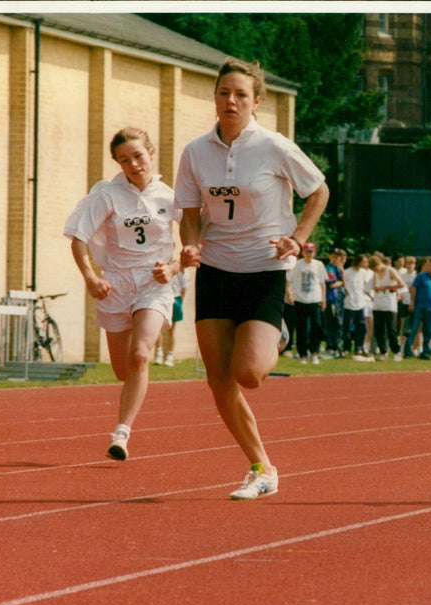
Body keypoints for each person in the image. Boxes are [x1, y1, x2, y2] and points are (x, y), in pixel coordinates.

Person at [175, 57, 329, 500]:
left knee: (248, 375)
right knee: (217, 379)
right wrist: (190, 245)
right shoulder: (194, 152)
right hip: (217, 270)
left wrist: (298, 238)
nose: (231, 101)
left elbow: (318, 190)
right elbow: (189, 214)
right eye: (224, 92)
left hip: (264, 269)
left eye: (241, 94)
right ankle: (261, 467)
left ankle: (275, 332)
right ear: (215, 96)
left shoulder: (275, 146)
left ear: (256, 101)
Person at [64, 126, 182, 461]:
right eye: (124, 160)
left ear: (151, 153)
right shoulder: (106, 194)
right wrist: (90, 277)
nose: (133, 164)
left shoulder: (170, 196)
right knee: (123, 370)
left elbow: (191, 239)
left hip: (153, 282)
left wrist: (172, 269)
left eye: (138, 156)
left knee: (141, 355)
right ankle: (133, 382)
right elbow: (79, 238)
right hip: (115, 285)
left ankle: (121, 433)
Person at [287, 241, 328, 364]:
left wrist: (323, 299)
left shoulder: (319, 265)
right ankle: (303, 353)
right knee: (301, 328)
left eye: (311, 252)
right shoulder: (297, 265)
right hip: (300, 299)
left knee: (317, 326)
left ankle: (314, 352)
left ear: (314, 253)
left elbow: (322, 283)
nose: (309, 254)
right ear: (303, 252)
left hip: (315, 299)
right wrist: (290, 293)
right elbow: (288, 280)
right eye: (306, 252)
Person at [404, 257, 431, 360]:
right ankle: (407, 353)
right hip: (419, 307)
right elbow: (413, 289)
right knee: (413, 330)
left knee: (429, 332)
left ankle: (425, 353)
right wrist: (412, 303)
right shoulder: (421, 277)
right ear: (428, 266)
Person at [366, 254, 405, 361]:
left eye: (376, 268)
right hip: (378, 301)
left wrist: (387, 286)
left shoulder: (390, 270)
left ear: (379, 263)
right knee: (378, 329)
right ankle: (383, 352)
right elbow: (374, 285)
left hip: (389, 301)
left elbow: (401, 284)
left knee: (391, 329)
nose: (375, 270)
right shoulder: (375, 273)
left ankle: (396, 351)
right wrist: (375, 288)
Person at [154, 269, 190, 366]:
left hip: (175, 298)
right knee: (156, 328)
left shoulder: (182, 270)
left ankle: (170, 356)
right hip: (162, 299)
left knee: (171, 330)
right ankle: (158, 354)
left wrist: (180, 301)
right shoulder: (162, 267)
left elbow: (184, 287)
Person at [342, 253, 374, 361]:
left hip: (361, 303)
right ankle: (346, 348)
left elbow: (366, 286)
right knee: (347, 327)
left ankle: (358, 347)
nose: (366, 264)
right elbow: (344, 286)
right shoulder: (347, 272)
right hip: (349, 304)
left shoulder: (364, 273)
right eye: (364, 261)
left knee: (361, 326)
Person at [323, 247, 346, 356]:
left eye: (337, 257)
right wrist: (341, 282)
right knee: (332, 323)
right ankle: (332, 345)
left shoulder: (339, 269)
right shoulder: (329, 268)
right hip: (331, 298)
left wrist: (342, 274)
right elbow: (332, 283)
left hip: (339, 298)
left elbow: (344, 282)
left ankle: (338, 346)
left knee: (339, 323)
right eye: (333, 257)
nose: (335, 259)